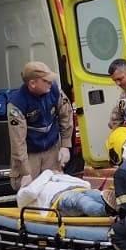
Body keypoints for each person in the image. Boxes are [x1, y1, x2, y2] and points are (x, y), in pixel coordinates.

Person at [7, 60, 75, 191]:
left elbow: (66, 115)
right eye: (46, 81)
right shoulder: (17, 104)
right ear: (32, 83)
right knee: (29, 190)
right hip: (29, 152)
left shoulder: (54, 90)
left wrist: (66, 145)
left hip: (51, 148)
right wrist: (25, 171)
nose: (50, 83)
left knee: (55, 187)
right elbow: (17, 141)